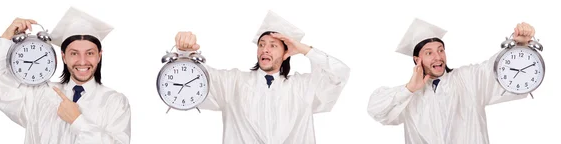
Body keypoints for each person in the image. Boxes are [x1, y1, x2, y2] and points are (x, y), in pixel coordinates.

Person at [173, 11, 350, 143]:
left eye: (273, 45)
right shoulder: (233, 83)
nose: (265, 49)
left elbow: (338, 75)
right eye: (261, 44)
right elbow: (193, 82)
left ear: (286, 52)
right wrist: (185, 52)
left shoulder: (303, 87)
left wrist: (303, 49)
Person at [366, 18, 535, 144]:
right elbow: (376, 110)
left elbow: (499, 71)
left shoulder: (468, 79)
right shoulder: (408, 97)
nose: (438, 56)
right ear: (417, 59)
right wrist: (409, 89)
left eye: (441, 50)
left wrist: (518, 45)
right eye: (429, 53)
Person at [0, 7, 131, 144]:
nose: (82, 61)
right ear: (64, 56)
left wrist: (78, 121)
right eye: (74, 53)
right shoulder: (40, 95)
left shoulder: (115, 102)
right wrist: (6, 39)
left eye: (90, 53)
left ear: (99, 55)